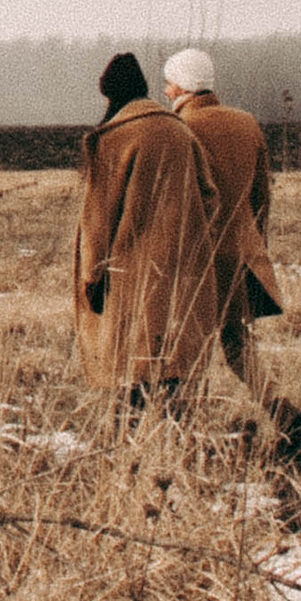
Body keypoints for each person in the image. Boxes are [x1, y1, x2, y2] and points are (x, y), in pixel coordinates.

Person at [163, 45, 301, 454]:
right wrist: (255, 245)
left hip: (197, 258)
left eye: (170, 81)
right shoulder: (246, 124)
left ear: (185, 86)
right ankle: (280, 410)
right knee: (236, 343)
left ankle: (179, 436)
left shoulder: (179, 130)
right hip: (240, 255)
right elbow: (262, 197)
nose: (166, 89)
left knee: (186, 349)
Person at [70, 50, 221, 405]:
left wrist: (92, 276)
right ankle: (174, 445)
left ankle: (136, 452)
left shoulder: (113, 138)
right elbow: (210, 198)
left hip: (129, 276)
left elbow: (98, 220)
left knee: (131, 372)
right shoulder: (179, 130)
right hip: (182, 270)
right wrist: (195, 241)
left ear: (110, 95)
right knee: (170, 364)